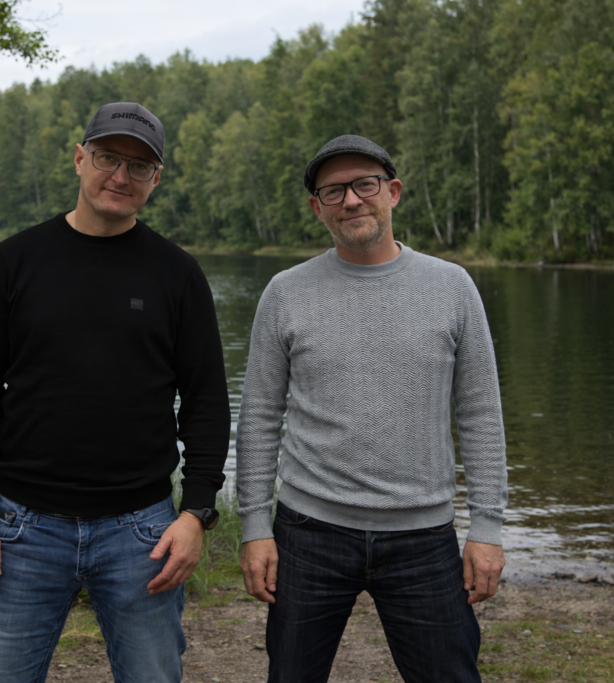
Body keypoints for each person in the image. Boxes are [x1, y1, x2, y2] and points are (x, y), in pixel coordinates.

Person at [0, 102, 230, 683]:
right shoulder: (15, 261)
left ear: (156, 179)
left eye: (139, 166)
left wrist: (196, 511)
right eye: (107, 158)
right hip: (22, 530)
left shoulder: (177, 274)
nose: (121, 176)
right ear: (80, 159)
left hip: (143, 533)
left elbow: (206, 401)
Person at [235, 134, 507, 682]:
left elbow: (480, 413)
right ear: (317, 208)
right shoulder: (285, 293)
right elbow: (259, 416)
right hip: (307, 533)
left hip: (424, 537)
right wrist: (254, 526)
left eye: (365, 185)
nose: (352, 200)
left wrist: (487, 527)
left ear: (393, 192)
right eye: (333, 192)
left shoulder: (453, 287)